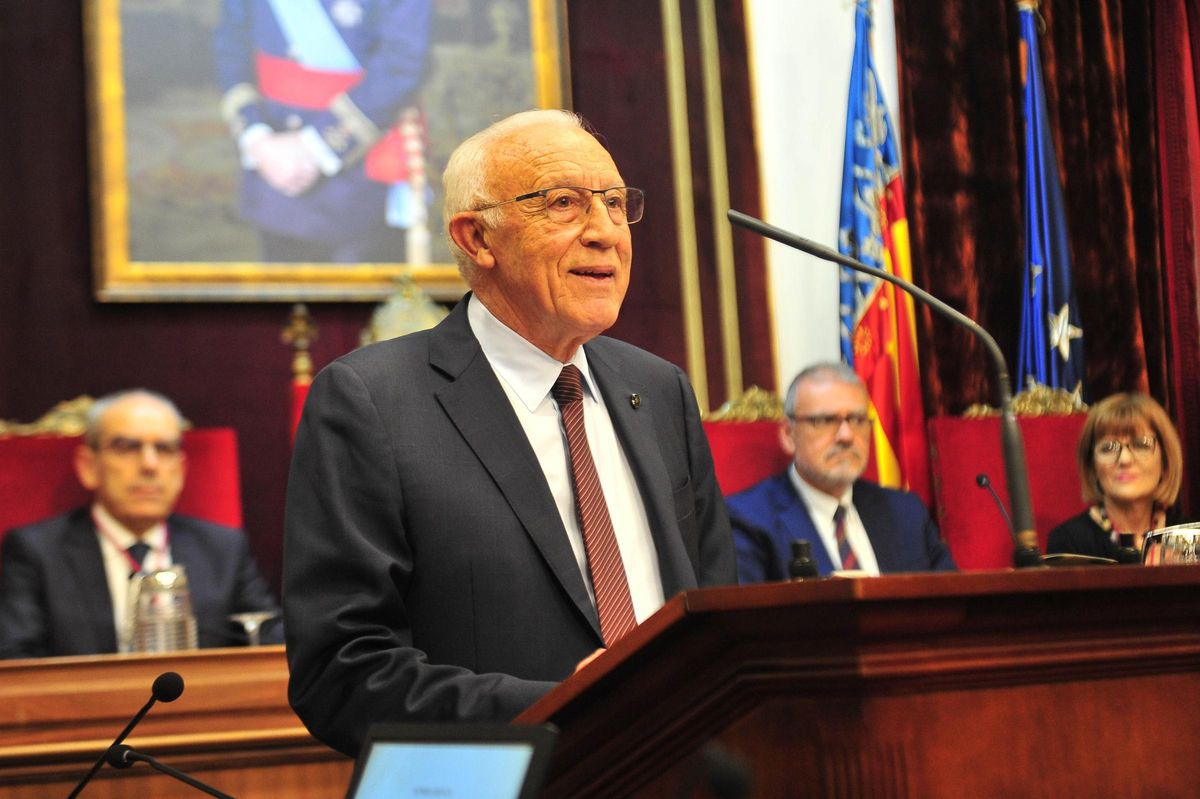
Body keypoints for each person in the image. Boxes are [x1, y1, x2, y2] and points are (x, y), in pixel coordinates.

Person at [284, 109, 736, 756]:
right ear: (476, 238)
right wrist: (559, 708)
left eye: (615, 203)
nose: (607, 233)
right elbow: (343, 673)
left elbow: (715, 612)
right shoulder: (373, 402)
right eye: (564, 203)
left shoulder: (659, 390)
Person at [0, 390, 282, 659]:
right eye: (127, 447)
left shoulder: (224, 548)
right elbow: (16, 664)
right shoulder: (37, 552)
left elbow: (271, 644)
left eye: (164, 448)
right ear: (89, 466)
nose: (149, 465)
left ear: (181, 469)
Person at [213, 0, 433, 263]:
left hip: (361, 171)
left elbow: (401, 62)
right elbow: (231, 45)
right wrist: (257, 136)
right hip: (273, 158)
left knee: (364, 293)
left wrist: (316, 147)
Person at [727, 363, 955, 581]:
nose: (846, 436)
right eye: (826, 420)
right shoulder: (750, 519)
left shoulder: (906, 512)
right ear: (788, 434)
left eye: (857, 419)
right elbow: (746, 617)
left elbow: (953, 602)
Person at [1047, 393, 1184, 559]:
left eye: (1141, 444)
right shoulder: (1068, 543)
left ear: (1165, 461)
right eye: (1108, 448)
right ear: (1092, 467)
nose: (1125, 459)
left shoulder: (1192, 538)